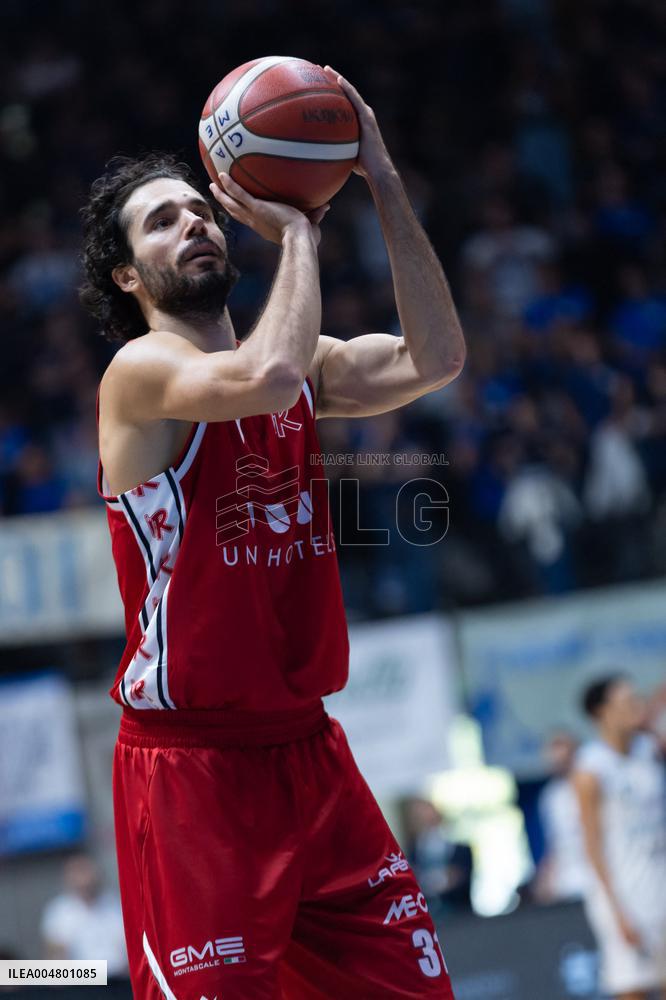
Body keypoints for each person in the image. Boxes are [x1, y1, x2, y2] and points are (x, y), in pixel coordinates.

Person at [80, 66, 465, 1000]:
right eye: (162, 222)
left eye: (196, 208)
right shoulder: (142, 372)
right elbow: (269, 378)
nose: (195, 224)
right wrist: (299, 228)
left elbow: (437, 357)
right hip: (191, 768)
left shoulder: (297, 362)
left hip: (309, 752)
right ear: (130, 277)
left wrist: (380, 181)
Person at [573, 675, 666, 1000]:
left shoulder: (648, 749)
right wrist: (616, 911)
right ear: (602, 712)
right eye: (626, 703)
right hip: (624, 894)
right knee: (633, 988)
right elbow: (592, 845)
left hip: (659, 883)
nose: (635, 708)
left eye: (636, 700)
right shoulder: (590, 768)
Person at [40, 853, 127, 976]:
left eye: (86, 871)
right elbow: (55, 953)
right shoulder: (59, 911)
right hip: (82, 981)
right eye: (78, 873)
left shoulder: (116, 905)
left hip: (119, 979)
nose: (84, 879)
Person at [533, 731, 588, 904]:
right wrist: (546, 874)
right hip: (568, 882)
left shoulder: (595, 785)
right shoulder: (551, 796)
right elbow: (555, 842)